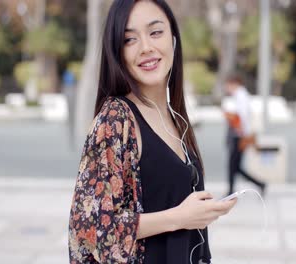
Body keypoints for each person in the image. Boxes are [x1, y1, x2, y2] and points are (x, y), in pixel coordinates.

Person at [68, 1, 237, 263]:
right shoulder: (115, 119)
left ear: (173, 39)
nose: (146, 47)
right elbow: (92, 229)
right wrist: (180, 217)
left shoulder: (174, 116)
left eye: (155, 32)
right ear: (117, 51)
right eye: (129, 39)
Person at [222, 75, 266, 196]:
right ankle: (259, 184)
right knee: (235, 166)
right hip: (240, 135)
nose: (227, 89)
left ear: (234, 84)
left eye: (228, 85)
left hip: (239, 135)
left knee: (233, 166)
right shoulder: (241, 96)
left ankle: (232, 190)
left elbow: (241, 117)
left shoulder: (241, 96)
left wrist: (230, 118)